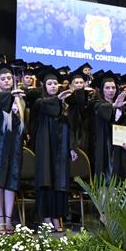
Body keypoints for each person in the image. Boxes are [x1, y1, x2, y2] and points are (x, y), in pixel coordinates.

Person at [31, 67, 78, 231]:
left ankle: (57, 217)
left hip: (61, 147)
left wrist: (72, 147)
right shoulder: (40, 102)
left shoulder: (64, 105)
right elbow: (41, 106)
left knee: (60, 182)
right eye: (49, 83)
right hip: (45, 146)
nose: (53, 86)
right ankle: (46, 217)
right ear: (44, 85)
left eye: (55, 83)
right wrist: (57, 99)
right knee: (47, 180)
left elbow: (69, 127)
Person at [0, 63, 25, 233]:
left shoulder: (20, 101)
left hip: (14, 147)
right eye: (3, 79)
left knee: (11, 182)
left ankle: (8, 221)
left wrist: (16, 102)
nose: (7, 81)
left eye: (9, 78)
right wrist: (11, 98)